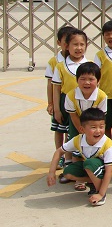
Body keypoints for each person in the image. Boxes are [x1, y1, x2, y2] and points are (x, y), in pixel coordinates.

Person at [47, 108, 112, 206]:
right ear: (82, 129)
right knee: (68, 173)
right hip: (92, 166)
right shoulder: (78, 139)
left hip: (108, 168)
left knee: (89, 163)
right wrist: (51, 173)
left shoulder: (107, 145)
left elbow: (109, 170)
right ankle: (95, 183)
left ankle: (100, 193)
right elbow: (59, 151)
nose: (98, 131)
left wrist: (101, 193)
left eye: (101, 127)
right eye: (93, 127)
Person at [51, 29, 90, 174]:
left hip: (83, 104)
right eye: (75, 44)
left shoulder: (89, 65)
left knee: (78, 132)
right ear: (67, 46)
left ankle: (81, 163)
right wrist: (56, 109)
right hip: (64, 102)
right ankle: (67, 163)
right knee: (65, 131)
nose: (79, 48)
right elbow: (56, 88)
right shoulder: (60, 66)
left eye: (82, 44)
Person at [47, 25, 76, 161]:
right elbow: (51, 85)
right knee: (59, 128)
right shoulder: (54, 62)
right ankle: (59, 155)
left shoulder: (80, 61)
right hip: (62, 101)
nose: (67, 45)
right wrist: (51, 103)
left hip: (76, 101)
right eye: (65, 42)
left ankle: (69, 156)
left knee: (70, 130)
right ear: (59, 43)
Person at [64, 62, 108, 144]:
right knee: (74, 145)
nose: (87, 82)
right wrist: (83, 132)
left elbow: (101, 118)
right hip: (77, 123)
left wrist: (92, 132)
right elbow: (73, 116)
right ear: (77, 80)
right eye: (83, 79)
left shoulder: (102, 96)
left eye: (91, 79)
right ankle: (70, 157)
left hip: (95, 125)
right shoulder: (70, 96)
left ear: (98, 81)